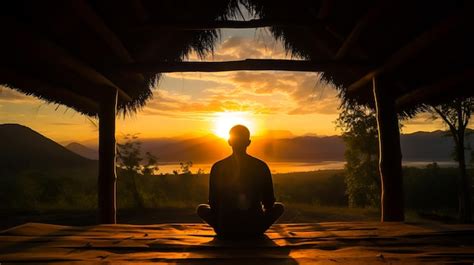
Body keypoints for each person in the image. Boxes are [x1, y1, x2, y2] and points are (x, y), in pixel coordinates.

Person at [197, 125, 284, 239]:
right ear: (248, 142)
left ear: (229, 142)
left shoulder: (218, 167)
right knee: (279, 207)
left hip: (225, 229)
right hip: (254, 229)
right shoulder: (261, 166)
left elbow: (214, 204)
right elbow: (269, 204)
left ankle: (226, 227)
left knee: (201, 209)